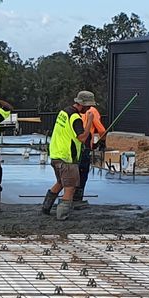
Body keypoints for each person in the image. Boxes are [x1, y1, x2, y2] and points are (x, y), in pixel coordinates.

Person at [40, 91, 93, 220]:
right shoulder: (75, 118)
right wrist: (90, 121)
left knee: (60, 182)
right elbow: (82, 137)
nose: (90, 109)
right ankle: (62, 216)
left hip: (56, 155)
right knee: (70, 188)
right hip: (67, 159)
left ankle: (46, 207)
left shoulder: (64, 112)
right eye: (89, 106)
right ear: (83, 104)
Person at [72, 98, 107, 205]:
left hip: (73, 145)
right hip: (85, 143)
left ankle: (69, 196)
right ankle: (77, 199)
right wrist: (102, 141)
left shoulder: (74, 112)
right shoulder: (92, 111)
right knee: (83, 172)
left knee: (73, 171)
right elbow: (101, 130)